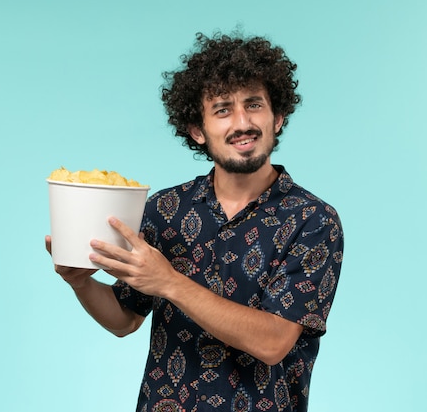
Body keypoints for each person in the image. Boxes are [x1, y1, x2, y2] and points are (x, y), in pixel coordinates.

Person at [46, 32, 344, 412]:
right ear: (198, 130)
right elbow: (124, 319)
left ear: (278, 117)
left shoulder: (313, 221)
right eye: (222, 110)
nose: (242, 122)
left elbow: (273, 342)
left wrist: (169, 282)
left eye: (254, 105)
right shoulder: (164, 209)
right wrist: (81, 283)